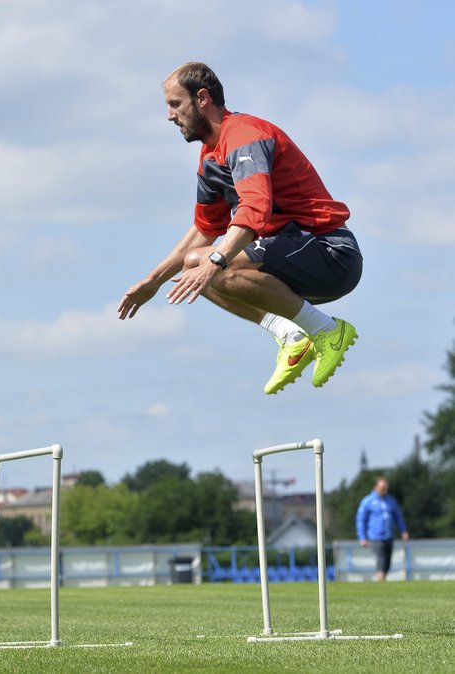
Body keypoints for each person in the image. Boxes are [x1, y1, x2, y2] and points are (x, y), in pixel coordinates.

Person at [118, 62, 363, 394]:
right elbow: (204, 230)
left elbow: (254, 209)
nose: (169, 116)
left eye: (175, 104)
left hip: (330, 251)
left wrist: (216, 261)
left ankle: (325, 331)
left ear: (201, 98)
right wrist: (153, 280)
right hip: (293, 257)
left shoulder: (244, 135)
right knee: (195, 265)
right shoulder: (210, 159)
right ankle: (290, 334)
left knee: (208, 265)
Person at [356, 476, 409, 581]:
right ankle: (379, 580)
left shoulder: (391, 500)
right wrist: (362, 537)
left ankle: (382, 580)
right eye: (382, 487)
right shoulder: (367, 501)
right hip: (375, 537)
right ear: (376, 487)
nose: (384, 489)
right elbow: (360, 520)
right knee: (381, 558)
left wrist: (403, 530)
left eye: (386, 487)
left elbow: (398, 516)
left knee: (387, 561)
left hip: (389, 536)